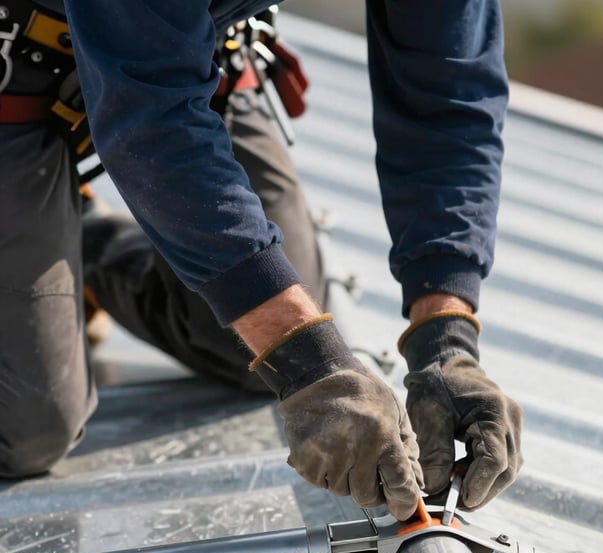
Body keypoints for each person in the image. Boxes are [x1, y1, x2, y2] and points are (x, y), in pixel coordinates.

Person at [0, 0, 523, 521]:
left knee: (248, 347)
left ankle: (80, 240)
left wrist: (446, 338)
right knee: (27, 429)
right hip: (22, 68)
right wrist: (309, 361)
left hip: (189, 56)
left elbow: (448, 92)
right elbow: (148, 118)